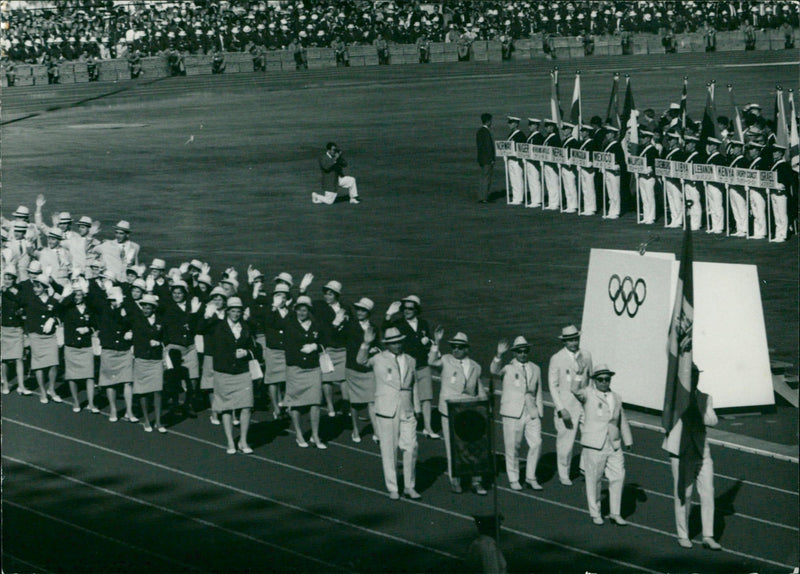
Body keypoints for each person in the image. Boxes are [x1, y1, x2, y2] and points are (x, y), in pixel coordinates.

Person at [663, 367, 722, 551]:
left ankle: (708, 535)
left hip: (701, 451)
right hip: (681, 451)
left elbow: (712, 420)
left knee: (708, 493)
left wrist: (697, 408)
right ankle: (683, 534)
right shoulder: (674, 398)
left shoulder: (705, 398)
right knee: (684, 493)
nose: (693, 379)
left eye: (696, 376)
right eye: (690, 375)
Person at [357, 326, 420, 500]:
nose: (397, 345)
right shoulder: (378, 359)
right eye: (393, 343)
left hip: (407, 408)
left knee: (411, 446)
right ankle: (393, 487)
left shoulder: (410, 360)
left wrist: (417, 407)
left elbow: (414, 385)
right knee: (389, 449)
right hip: (386, 408)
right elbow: (360, 361)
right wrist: (366, 343)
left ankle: (409, 486)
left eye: (399, 342)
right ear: (387, 344)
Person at [572, 364, 633, 526]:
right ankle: (595, 512)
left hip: (613, 442)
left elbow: (622, 419)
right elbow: (575, 390)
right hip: (594, 443)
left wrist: (628, 440)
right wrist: (578, 374)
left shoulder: (616, 397)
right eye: (600, 379)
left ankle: (615, 512)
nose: (604, 382)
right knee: (594, 478)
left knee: (618, 476)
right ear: (594, 381)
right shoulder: (588, 394)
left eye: (607, 379)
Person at [429, 329, 487, 495]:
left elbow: (479, 388)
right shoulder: (445, 360)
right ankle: (456, 480)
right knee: (453, 448)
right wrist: (436, 343)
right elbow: (432, 362)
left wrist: (485, 407)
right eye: (453, 346)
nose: (456, 350)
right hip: (450, 411)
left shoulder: (476, 366)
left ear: (466, 349)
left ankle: (477, 481)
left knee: (473, 446)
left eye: (460, 347)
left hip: (469, 412)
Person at [201, 296, 257, 454]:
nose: (235, 314)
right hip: (224, 371)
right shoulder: (217, 326)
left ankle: (243, 441)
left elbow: (256, 347)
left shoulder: (246, 326)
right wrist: (207, 315)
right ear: (227, 311)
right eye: (233, 311)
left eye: (238, 311)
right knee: (226, 408)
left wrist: (247, 352)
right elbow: (199, 329)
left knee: (246, 407)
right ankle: (230, 441)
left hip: (242, 371)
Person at [490, 335, 543, 491]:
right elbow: (493, 371)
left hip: (531, 411)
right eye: (519, 351)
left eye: (525, 351)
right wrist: (499, 355)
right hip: (512, 412)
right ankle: (514, 478)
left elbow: (538, 391)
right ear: (514, 353)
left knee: (537, 443)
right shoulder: (508, 367)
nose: (523, 354)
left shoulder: (536, 368)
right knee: (513, 446)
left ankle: (531, 476)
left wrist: (539, 411)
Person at [384, 295, 438, 439]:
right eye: (405, 308)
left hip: (422, 364)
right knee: (405, 396)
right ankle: (404, 425)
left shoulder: (423, 323)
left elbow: (430, 341)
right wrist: (388, 315)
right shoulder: (398, 323)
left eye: (410, 308)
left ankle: (428, 427)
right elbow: (385, 331)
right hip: (406, 365)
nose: (407, 311)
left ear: (416, 310)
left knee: (426, 397)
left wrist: (429, 341)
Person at [548, 325, 592, 486]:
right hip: (567, 406)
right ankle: (563, 473)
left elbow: (590, 380)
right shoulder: (557, 358)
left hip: (585, 405)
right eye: (570, 340)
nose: (574, 342)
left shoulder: (586, 355)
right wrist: (561, 408)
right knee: (566, 442)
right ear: (564, 342)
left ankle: (585, 468)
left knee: (590, 437)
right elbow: (552, 386)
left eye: (576, 339)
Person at [284, 295, 326, 449]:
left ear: (309, 311)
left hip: (313, 368)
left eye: (305, 309)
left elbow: (324, 340)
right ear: (295, 310)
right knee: (296, 402)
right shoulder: (290, 324)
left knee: (315, 402)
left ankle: (315, 435)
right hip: (296, 368)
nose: (302, 312)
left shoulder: (316, 325)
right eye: (299, 309)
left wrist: (315, 346)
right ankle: (299, 434)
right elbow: (289, 346)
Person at [94, 286, 137, 423]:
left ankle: (129, 411)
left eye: (115, 300)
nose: (113, 302)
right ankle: (113, 409)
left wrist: (131, 331)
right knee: (110, 381)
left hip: (124, 350)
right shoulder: (105, 309)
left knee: (128, 381)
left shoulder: (128, 310)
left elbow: (133, 320)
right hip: (109, 349)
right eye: (111, 300)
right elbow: (115, 318)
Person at [20, 272, 63, 403]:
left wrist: (53, 320)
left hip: (50, 336)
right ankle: (42, 392)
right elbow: (17, 305)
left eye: (38, 287)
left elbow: (60, 311)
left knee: (54, 363)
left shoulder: (52, 300)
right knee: (38, 365)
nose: (35, 289)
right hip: (36, 335)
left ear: (45, 287)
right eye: (34, 287)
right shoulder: (29, 299)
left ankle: (51, 389)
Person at [59, 277, 98, 413]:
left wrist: (89, 329)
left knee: (89, 375)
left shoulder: (89, 307)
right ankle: (76, 402)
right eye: (76, 294)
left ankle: (91, 403)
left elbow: (96, 320)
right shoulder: (67, 307)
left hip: (86, 346)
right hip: (72, 345)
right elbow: (61, 305)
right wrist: (72, 291)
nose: (78, 297)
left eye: (80, 294)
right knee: (72, 375)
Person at [130, 293, 166, 433]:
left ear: (153, 308)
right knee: (143, 391)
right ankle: (146, 420)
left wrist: (160, 342)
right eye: (143, 307)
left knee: (158, 391)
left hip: (156, 360)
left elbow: (166, 336)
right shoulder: (136, 319)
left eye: (148, 307)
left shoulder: (160, 320)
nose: (145, 309)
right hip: (142, 358)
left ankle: (158, 421)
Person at [345, 297, 379, 443]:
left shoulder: (374, 328)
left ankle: (377, 432)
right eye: (358, 309)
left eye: (363, 310)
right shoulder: (350, 325)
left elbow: (378, 345)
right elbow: (348, 344)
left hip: (368, 369)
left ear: (368, 312)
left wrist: (375, 349)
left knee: (371, 401)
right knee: (356, 403)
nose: (359, 312)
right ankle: (356, 430)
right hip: (353, 367)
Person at [262, 281, 291, 419]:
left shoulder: (290, 312)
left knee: (287, 379)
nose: (281, 299)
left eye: (284, 296)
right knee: (273, 380)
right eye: (279, 296)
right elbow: (267, 322)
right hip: (273, 349)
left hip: (286, 350)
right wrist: (274, 307)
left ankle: (285, 403)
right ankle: (276, 408)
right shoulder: (269, 310)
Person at [1, 265, 28, 395]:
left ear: (14, 279)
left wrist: (21, 311)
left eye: (9, 279)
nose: (7, 281)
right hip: (4, 328)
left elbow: (23, 304)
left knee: (19, 358)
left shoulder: (20, 292)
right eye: (5, 278)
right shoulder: (2, 292)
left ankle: (21, 385)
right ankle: (5, 384)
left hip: (17, 328)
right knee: (5, 359)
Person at [703, 137, 727, 234]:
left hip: (716, 185)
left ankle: (719, 226)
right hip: (709, 184)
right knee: (712, 206)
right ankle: (714, 225)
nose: (708, 147)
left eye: (711, 145)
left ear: (715, 146)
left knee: (717, 205)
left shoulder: (719, 158)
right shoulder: (710, 157)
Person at [769, 144, 792, 243]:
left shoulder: (784, 165)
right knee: (776, 214)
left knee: (782, 214)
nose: (774, 154)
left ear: (781, 154)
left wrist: (782, 185)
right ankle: (778, 234)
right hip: (773, 191)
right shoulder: (774, 164)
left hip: (781, 193)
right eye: (774, 152)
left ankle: (783, 234)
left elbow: (789, 179)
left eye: (777, 152)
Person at [662, 131, 686, 228]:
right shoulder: (668, 152)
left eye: (671, 140)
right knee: (671, 200)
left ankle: (679, 219)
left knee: (677, 200)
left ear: (676, 141)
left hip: (675, 181)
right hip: (668, 179)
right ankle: (674, 218)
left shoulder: (679, 153)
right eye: (669, 140)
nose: (669, 142)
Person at [745, 142, 768, 239]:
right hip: (752, 189)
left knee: (760, 211)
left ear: (758, 151)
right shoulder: (751, 162)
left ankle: (762, 232)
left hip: (759, 190)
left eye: (752, 149)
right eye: (750, 149)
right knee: (754, 210)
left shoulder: (762, 162)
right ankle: (757, 231)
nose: (750, 151)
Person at [682, 135, 705, 230]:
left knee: (695, 203)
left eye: (688, 144)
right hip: (687, 182)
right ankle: (691, 222)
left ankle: (696, 223)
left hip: (694, 184)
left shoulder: (698, 157)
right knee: (689, 203)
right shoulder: (686, 156)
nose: (686, 146)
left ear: (693, 145)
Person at [726, 139, 748, 236]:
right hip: (732, 187)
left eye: (735, 148)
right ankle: (739, 227)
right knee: (735, 208)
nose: (733, 150)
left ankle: (744, 229)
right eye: (733, 147)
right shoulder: (732, 160)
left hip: (739, 188)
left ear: (740, 149)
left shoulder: (743, 161)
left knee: (741, 207)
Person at [637, 129, 659, 224]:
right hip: (642, 175)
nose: (641, 139)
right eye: (641, 137)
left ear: (649, 139)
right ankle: (646, 216)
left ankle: (651, 217)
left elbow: (654, 164)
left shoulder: (652, 150)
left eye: (643, 137)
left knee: (650, 197)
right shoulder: (641, 149)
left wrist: (649, 170)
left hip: (649, 177)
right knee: (644, 198)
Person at [578, 124, 598, 215]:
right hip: (582, 167)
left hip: (589, 169)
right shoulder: (582, 142)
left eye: (583, 131)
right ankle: (587, 207)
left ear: (587, 132)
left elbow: (593, 155)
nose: (581, 133)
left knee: (590, 188)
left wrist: (591, 162)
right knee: (585, 189)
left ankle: (591, 208)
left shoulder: (592, 143)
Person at [542, 119, 562, 210]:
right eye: (546, 127)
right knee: (549, 184)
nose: (547, 128)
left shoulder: (555, 138)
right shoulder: (548, 137)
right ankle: (551, 202)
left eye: (549, 126)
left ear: (553, 127)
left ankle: (555, 202)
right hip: (546, 163)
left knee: (554, 183)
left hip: (552, 164)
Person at [560, 122, 580, 213]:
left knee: (571, 186)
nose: (563, 131)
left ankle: (573, 205)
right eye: (563, 129)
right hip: (563, 166)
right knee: (567, 187)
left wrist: (570, 161)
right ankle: (569, 204)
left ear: (570, 130)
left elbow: (575, 154)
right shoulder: (564, 141)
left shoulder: (573, 142)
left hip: (570, 168)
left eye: (565, 129)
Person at [476, 113, 495, 204]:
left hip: (481, 158)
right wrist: (491, 159)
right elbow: (488, 147)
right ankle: (484, 197)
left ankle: (481, 196)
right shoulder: (486, 132)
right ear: (488, 121)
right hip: (487, 159)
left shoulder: (480, 131)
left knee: (483, 178)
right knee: (486, 178)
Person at [524, 118, 543, 207]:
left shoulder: (538, 136)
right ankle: (534, 199)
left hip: (534, 162)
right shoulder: (531, 135)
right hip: (529, 161)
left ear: (536, 126)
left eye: (531, 125)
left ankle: (537, 200)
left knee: (535, 180)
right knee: (531, 181)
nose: (529, 126)